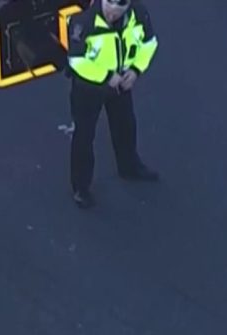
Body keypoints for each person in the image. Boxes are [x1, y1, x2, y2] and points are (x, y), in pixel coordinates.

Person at [65, 0, 160, 209]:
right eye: (109, 3)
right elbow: (76, 60)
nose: (112, 11)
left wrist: (135, 70)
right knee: (84, 136)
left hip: (121, 83)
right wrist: (107, 76)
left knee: (125, 125)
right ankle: (81, 188)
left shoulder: (139, 14)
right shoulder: (83, 21)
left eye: (119, 6)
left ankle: (129, 166)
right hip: (88, 88)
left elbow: (149, 43)